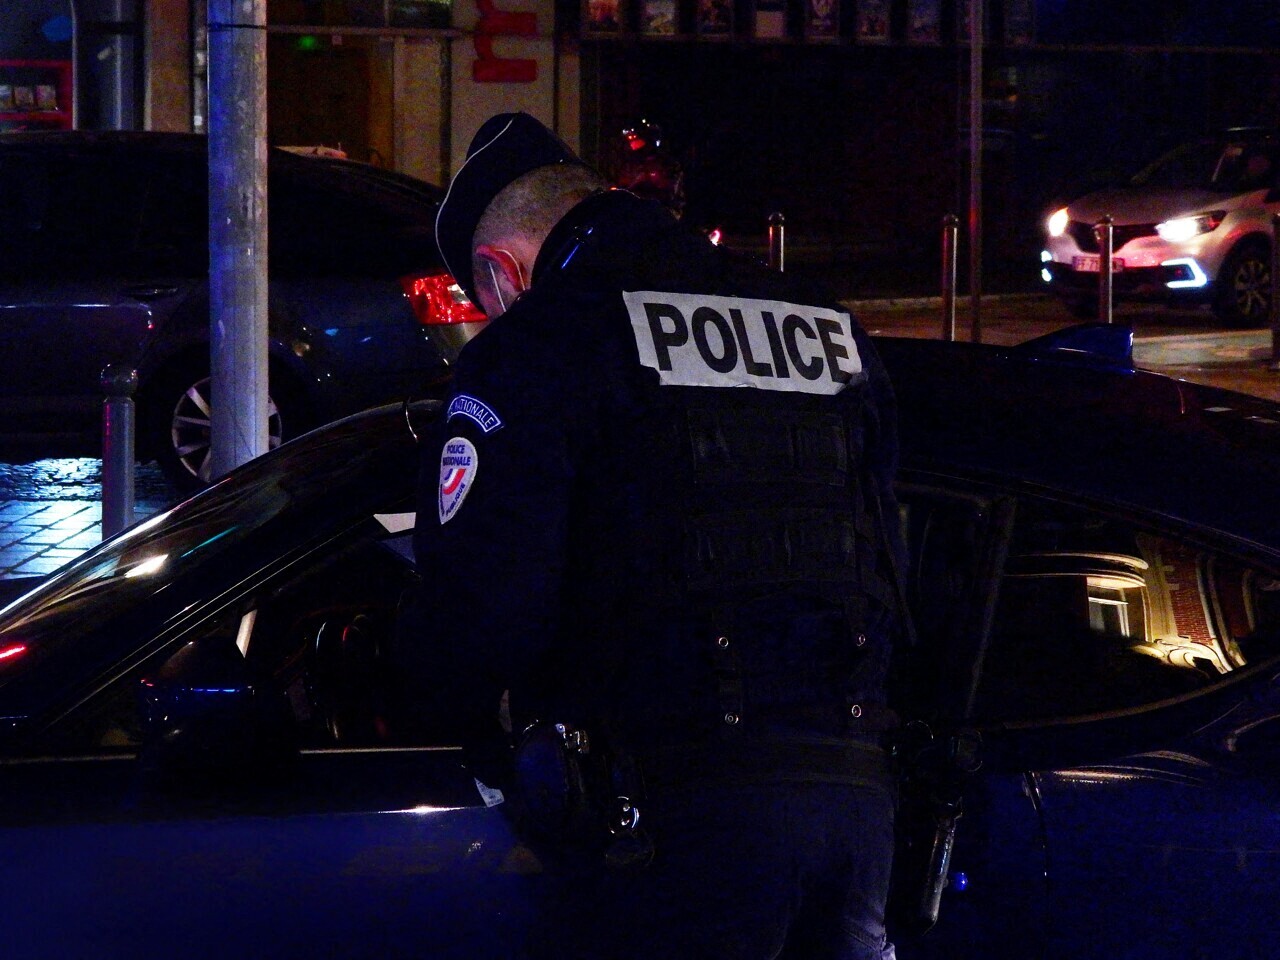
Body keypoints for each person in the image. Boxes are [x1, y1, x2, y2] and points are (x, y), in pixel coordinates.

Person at [397, 111, 906, 959]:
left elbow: (485, 613)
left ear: (502, 270)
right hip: (858, 807)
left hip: (676, 821)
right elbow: (888, 552)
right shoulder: (824, 324)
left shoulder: (539, 345)